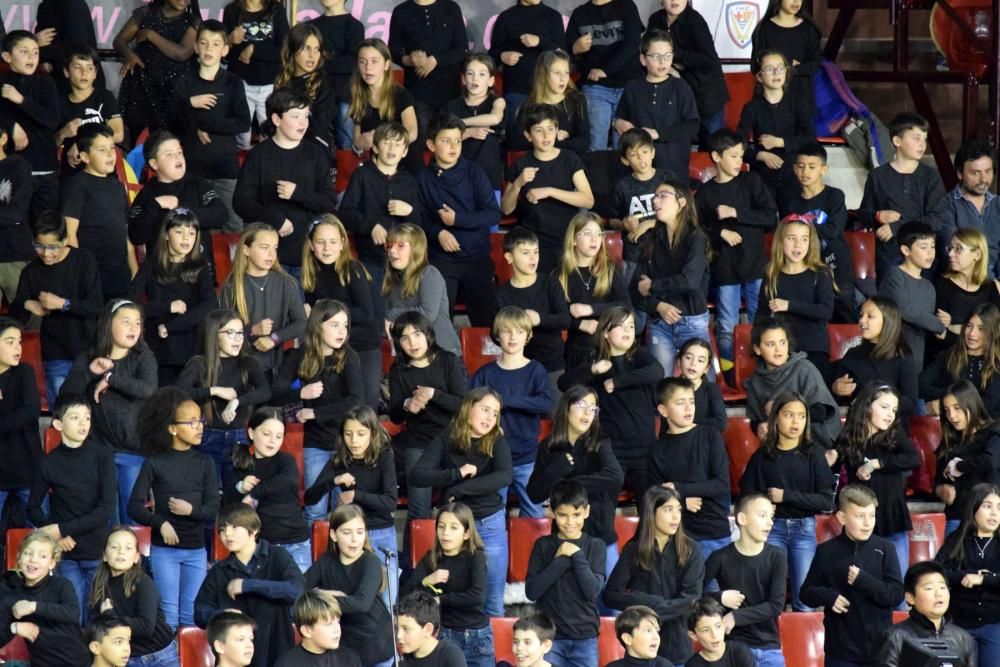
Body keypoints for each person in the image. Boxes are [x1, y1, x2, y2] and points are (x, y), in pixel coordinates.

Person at [410, 388, 512, 617]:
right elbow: (418, 474)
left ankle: (492, 653)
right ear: (468, 408)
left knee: (493, 600)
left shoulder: (496, 440)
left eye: (495, 414)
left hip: (488, 524)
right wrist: (455, 474)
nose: (489, 418)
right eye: (485, 410)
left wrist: (460, 488)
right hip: (454, 529)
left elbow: (504, 476)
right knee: (454, 598)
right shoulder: (448, 436)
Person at [128, 387, 218, 629]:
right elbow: (134, 507)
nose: (199, 426)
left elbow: (213, 510)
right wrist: (161, 522)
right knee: (168, 616)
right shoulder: (155, 462)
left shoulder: (205, 462)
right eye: (191, 422)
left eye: (200, 420)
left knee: (191, 617)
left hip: (197, 550)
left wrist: (192, 512)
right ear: (172, 428)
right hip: (164, 552)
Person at [61, 300, 158, 524]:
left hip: (133, 453)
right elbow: (66, 397)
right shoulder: (89, 358)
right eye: (126, 322)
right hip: (97, 451)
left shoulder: (144, 357)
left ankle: (135, 559)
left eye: (138, 323)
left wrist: (111, 378)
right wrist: (88, 372)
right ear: (108, 324)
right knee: (102, 516)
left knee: (131, 516)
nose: (134, 328)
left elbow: (148, 389)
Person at [740, 393, 835, 611]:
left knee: (805, 598)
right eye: (789, 415)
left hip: (804, 529)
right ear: (776, 418)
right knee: (771, 596)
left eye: (801, 416)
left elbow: (825, 500)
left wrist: (787, 496)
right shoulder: (762, 456)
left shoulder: (814, 454)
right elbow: (746, 497)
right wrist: (762, 505)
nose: (795, 422)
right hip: (770, 530)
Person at [271, 298, 363, 522]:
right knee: (315, 510)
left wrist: (315, 413)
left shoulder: (350, 356)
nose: (342, 331)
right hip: (317, 444)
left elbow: (355, 400)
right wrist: (300, 394)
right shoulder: (299, 355)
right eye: (334, 325)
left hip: (347, 443)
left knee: (345, 510)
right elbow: (275, 392)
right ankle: (315, 556)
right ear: (317, 326)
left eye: (345, 325)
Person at [27, 394, 116, 623]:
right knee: (72, 617)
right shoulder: (48, 462)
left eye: (87, 417)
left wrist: (63, 529)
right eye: (75, 417)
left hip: (97, 550)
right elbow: (33, 508)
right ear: (58, 424)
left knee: (96, 619)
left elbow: (106, 508)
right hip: (66, 554)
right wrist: (54, 533)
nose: (83, 423)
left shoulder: (102, 456)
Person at [694, 129, 777, 374]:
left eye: (741, 155)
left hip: (754, 265)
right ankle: (732, 374)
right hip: (725, 269)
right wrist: (720, 233)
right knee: (727, 326)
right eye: (733, 156)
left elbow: (770, 217)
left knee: (758, 322)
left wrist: (736, 213)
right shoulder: (706, 192)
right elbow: (695, 231)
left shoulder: (751, 181)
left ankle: (759, 369)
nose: (739, 160)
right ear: (716, 157)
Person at [559, 306, 662, 503]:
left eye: (631, 326)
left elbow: (657, 371)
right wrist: (593, 370)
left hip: (644, 448)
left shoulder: (639, 356)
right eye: (621, 326)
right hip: (610, 450)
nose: (628, 331)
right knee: (602, 511)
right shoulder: (594, 360)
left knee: (651, 512)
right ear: (606, 332)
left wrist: (617, 382)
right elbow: (563, 383)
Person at [387, 310, 467, 558]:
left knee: (451, 509)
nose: (412, 342)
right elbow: (395, 416)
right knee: (418, 509)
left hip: (451, 442)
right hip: (418, 442)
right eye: (404, 338)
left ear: (428, 334)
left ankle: (449, 563)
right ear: (398, 343)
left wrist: (434, 395)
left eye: (417, 334)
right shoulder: (398, 370)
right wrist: (406, 405)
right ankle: (414, 568)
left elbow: (465, 404)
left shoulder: (448, 361)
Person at [234, 89, 338, 278]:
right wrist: (275, 219)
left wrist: (298, 194)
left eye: (306, 116)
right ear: (276, 120)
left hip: (307, 254)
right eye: (295, 116)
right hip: (268, 257)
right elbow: (241, 202)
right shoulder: (259, 155)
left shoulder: (316, 154)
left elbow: (329, 201)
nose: (303, 123)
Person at [304, 406, 398, 609]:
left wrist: (356, 495)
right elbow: (310, 498)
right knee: (351, 599)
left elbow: (390, 502)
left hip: (380, 532)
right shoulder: (339, 460)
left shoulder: (384, 456)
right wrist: (333, 481)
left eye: (361, 434)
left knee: (387, 602)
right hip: (348, 537)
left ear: (372, 434)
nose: (354, 440)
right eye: (348, 434)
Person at [801, 485, 904, 667]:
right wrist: (829, 597)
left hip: (881, 650)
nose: (867, 523)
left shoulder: (886, 548)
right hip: (841, 652)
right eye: (859, 516)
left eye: (871, 515)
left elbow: (895, 595)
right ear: (842, 517)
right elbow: (806, 593)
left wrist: (863, 580)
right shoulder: (826, 551)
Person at [416, 113, 501, 326]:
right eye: (446, 141)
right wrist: (439, 232)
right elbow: (417, 218)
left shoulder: (474, 172)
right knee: (439, 322)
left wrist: (457, 221)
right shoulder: (422, 178)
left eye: (457, 140)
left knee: (487, 324)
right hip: (442, 260)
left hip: (477, 257)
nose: (453, 147)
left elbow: (493, 213)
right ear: (431, 145)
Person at [604, 486, 704, 665]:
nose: (676, 517)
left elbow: (691, 598)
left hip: (679, 646)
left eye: (678, 510)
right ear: (652, 512)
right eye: (668, 510)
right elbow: (611, 594)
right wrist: (653, 603)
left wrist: (655, 609)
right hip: (641, 650)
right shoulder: (633, 550)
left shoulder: (691, 549)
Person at [11, 212, 102, 406]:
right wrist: (27, 304)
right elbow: (14, 317)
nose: (45, 253)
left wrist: (62, 303)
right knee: (62, 412)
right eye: (39, 246)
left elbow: (95, 306)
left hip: (88, 351)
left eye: (53, 247)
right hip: (55, 354)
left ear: (66, 240)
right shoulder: (31, 271)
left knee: (92, 414)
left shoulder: (84, 260)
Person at [196, 504, 303, 667]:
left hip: (277, 653)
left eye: (234, 527)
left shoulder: (277, 556)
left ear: (253, 530)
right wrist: (221, 615)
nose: (227, 534)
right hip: (237, 659)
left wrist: (248, 585)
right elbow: (200, 613)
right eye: (223, 530)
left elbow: (297, 590)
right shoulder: (219, 571)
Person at [470, 306, 552, 518]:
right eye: (507, 331)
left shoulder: (536, 370)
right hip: (492, 457)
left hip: (527, 457)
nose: (513, 337)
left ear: (529, 335)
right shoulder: (485, 374)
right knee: (493, 516)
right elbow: (469, 410)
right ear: (497, 335)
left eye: (519, 331)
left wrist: (503, 400)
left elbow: (545, 405)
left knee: (533, 516)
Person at [338, 120, 421, 327]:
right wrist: (370, 226)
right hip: (372, 260)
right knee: (375, 321)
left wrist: (409, 212)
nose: (392, 148)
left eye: (398, 144)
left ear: (405, 151)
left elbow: (420, 225)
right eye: (386, 143)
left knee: (404, 321)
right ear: (375, 147)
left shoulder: (409, 181)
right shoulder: (362, 175)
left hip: (404, 263)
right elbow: (345, 213)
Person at [527, 385, 624, 559]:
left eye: (593, 408)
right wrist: (556, 469)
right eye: (582, 406)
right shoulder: (549, 446)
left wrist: (568, 486)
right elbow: (534, 493)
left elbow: (615, 477)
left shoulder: (600, 442)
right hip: (565, 535)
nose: (588, 413)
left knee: (608, 586)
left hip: (600, 533)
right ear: (567, 408)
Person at [170, 19, 251, 229]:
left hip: (225, 169)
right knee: (192, 227)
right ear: (196, 47)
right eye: (204, 43)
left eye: (215, 44)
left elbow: (243, 122)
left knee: (232, 226)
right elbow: (171, 123)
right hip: (193, 169)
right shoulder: (184, 83)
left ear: (225, 50)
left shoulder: (233, 82)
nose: (208, 49)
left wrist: (206, 123)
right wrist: (190, 104)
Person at [836, 382, 920, 580]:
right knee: (863, 583)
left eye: (894, 409)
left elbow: (914, 458)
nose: (890, 414)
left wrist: (877, 463)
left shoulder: (894, 436)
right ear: (867, 406)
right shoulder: (849, 437)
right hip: (861, 521)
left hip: (892, 516)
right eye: (884, 407)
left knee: (897, 584)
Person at [176, 308, 271, 480]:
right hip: (206, 438)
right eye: (230, 333)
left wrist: (236, 402)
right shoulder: (199, 364)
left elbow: (265, 391)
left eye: (241, 333)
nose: (238, 338)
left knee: (235, 496)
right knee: (208, 495)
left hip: (238, 438)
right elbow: (178, 394)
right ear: (214, 334)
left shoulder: (248, 362)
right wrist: (214, 390)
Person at [127, 208, 218, 385]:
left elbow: (210, 304)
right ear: (167, 234)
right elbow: (129, 303)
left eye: (191, 233)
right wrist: (167, 307)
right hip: (159, 348)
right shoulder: (152, 264)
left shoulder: (200, 266)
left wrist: (171, 326)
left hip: (191, 346)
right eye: (179, 231)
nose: (186, 238)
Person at [501, 103, 595, 273]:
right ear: (528, 135)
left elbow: (588, 200)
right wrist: (518, 183)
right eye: (538, 130)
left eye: (550, 129)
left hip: (565, 239)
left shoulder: (569, 159)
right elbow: (506, 209)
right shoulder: (520, 165)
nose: (546, 135)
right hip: (534, 243)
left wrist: (550, 191)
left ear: (557, 130)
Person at [300, 215, 381, 410]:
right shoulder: (311, 274)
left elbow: (366, 314)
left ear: (342, 243)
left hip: (363, 346)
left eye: (333, 242)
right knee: (338, 409)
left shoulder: (353, 269)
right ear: (311, 244)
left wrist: (329, 312)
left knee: (364, 409)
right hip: (332, 350)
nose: (327, 248)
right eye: (320, 242)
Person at [632, 178, 711, 375]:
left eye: (662, 196)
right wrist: (657, 305)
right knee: (660, 383)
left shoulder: (696, 238)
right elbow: (636, 287)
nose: (655, 201)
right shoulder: (651, 240)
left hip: (691, 320)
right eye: (654, 197)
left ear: (682, 202)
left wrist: (653, 287)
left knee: (701, 385)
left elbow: (689, 281)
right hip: (659, 322)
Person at [647, 378, 731, 561]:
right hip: (678, 536)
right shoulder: (657, 450)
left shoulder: (710, 436)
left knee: (718, 590)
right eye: (680, 402)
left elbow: (721, 485)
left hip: (714, 533)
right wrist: (683, 502)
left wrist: (678, 488)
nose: (688, 408)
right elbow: (656, 497)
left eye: (691, 401)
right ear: (663, 410)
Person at [401, 502, 493, 667]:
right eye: (441, 527)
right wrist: (426, 581)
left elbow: (478, 596)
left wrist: (440, 600)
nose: (445, 533)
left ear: (466, 533)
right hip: (445, 635)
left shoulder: (476, 557)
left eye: (453, 527)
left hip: (476, 636)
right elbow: (406, 596)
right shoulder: (431, 558)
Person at [525, 479, 605, 667]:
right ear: (552, 512)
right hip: (549, 638)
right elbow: (532, 592)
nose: (570, 522)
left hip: (585, 638)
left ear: (586, 512)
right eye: (562, 515)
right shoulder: (542, 546)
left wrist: (576, 555)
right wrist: (561, 560)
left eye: (576, 514)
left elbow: (592, 591)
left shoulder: (596, 546)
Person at [860, 113, 948, 280]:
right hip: (888, 255)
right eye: (916, 138)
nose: (922, 144)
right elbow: (863, 214)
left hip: (921, 256)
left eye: (924, 138)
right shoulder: (878, 176)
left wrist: (896, 227)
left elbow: (935, 220)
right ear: (897, 141)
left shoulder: (931, 177)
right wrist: (877, 215)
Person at [305, 505, 395, 667]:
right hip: (346, 645)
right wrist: (320, 596)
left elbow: (362, 603)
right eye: (347, 532)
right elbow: (299, 589)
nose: (355, 539)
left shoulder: (370, 561)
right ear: (333, 535)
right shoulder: (326, 561)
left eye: (360, 532)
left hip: (376, 644)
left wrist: (324, 598)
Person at [223, 408, 312, 573]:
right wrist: (241, 487)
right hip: (258, 546)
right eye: (266, 434)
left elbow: (288, 479)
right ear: (251, 433)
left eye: (279, 436)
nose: (273, 441)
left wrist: (254, 493)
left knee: (297, 595)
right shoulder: (241, 463)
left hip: (295, 544)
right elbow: (227, 504)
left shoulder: (285, 460)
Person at [703, 494, 787, 667]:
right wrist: (720, 597)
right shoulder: (719, 557)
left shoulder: (777, 556)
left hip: (768, 647)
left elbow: (776, 605)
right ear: (742, 518)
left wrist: (735, 616)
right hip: (733, 646)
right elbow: (694, 594)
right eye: (762, 515)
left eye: (771, 517)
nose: (770, 523)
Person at [219, 223, 307, 378]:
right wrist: (253, 331)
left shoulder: (286, 283)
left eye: (275, 248)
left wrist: (274, 338)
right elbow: (220, 331)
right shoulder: (232, 287)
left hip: (276, 369)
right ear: (246, 250)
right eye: (264, 247)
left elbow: (301, 322)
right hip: (240, 370)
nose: (271, 254)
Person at [61, 125, 137, 299]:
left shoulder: (117, 186)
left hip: (119, 274)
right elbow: (70, 234)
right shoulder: (78, 185)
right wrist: (80, 273)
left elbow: (126, 232)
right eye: (102, 150)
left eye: (112, 148)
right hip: (93, 274)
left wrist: (133, 268)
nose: (111, 155)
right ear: (85, 157)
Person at [756, 214, 835, 381]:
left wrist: (789, 306)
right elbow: (761, 316)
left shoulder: (821, 273)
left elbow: (826, 311)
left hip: (814, 348)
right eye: (792, 238)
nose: (798, 245)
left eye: (804, 239)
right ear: (780, 241)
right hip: (782, 351)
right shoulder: (771, 275)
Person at [495, 227, 571, 399]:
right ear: (509, 257)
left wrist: (540, 319)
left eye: (536, 252)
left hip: (553, 365)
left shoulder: (550, 283)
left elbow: (565, 320)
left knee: (553, 419)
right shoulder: (502, 294)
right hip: (518, 366)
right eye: (525, 252)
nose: (533, 258)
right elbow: (495, 334)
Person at [783, 142, 855, 322]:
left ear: (823, 169)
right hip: (808, 268)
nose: (805, 172)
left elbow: (833, 229)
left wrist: (802, 229)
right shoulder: (791, 202)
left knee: (845, 316)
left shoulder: (834, 196)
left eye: (811, 167)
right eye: (800, 166)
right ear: (794, 168)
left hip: (837, 266)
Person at [744, 316, 841, 450]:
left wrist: (782, 410)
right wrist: (759, 426)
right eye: (770, 344)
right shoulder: (756, 379)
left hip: (814, 441)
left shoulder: (804, 368)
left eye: (782, 343)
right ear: (757, 349)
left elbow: (821, 411)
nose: (778, 349)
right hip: (779, 444)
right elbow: (755, 418)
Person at [612, 29, 698, 178]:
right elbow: (619, 117)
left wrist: (658, 134)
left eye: (667, 56)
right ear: (643, 59)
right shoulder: (633, 87)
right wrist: (617, 123)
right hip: (639, 170)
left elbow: (693, 126)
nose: (662, 61)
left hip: (673, 167)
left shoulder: (680, 87)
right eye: (656, 56)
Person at [127, 130, 230, 254]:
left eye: (179, 152)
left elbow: (221, 214)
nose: (177, 157)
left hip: (199, 266)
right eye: (169, 154)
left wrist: (182, 214)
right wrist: (155, 206)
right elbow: (136, 236)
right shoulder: (146, 194)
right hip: (162, 269)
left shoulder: (197, 184)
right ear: (154, 164)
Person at [88, 527, 178, 667]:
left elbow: (146, 627)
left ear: (136, 557)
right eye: (114, 547)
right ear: (105, 555)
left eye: (128, 548)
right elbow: (96, 624)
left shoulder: (143, 582)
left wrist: (109, 615)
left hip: (160, 655)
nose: (121, 551)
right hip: (127, 658)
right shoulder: (99, 585)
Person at [738, 50, 815, 210]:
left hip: (792, 174)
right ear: (759, 76)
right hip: (762, 176)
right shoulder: (752, 108)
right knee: (766, 224)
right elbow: (739, 144)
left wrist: (780, 142)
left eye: (780, 68)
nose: (776, 73)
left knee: (792, 223)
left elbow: (810, 138)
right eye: (769, 69)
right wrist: (760, 155)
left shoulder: (798, 103)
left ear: (786, 71)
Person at [646, 0, 728, 149]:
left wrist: (674, 57)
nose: (675, 1)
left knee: (715, 146)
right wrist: (671, 67)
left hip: (706, 95)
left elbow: (710, 59)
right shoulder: (656, 20)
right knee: (676, 144)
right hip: (676, 95)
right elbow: (649, 52)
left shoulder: (695, 21)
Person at [0, 531, 91, 665]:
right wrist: (14, 627)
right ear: (18, 558)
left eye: (42, 556)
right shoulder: (12, 598)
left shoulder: (61, 584)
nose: (33, 559)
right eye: (27, 553)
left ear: (52, 563)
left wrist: (33, 607)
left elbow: (72, 613)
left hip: (78, 662)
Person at [113, 0, 198, 139]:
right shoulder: (145, 13)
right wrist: (129, 54)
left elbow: (181, 53)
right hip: (141, 85)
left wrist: (150, 35)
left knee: (169, 137)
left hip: (172, 89)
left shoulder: (192, 21)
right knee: (137, 135)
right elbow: (119, 41)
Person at [934, 482, 1000, 664]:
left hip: (995, 624)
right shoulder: (956, 540)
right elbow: (936, 573)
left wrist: (983, 579)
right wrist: (965, 575)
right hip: (960, 624)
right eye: (987, 506)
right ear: (973, 508)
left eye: (999, 507)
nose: (994, 513)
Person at [565, 0, 643, 151]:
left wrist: (605, 70)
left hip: (628, 84)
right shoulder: (579, 13)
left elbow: (633, 43)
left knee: (627, 147)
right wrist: (575, 48)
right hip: (595, 87)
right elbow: (564, 53)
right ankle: (596, 175)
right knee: (595, 144)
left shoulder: (626, 5)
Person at [556, 212, 630, 369]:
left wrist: (590, 309)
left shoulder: (610, 269)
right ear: (574, 239)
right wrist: (579, 324)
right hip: (576, 350)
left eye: (599, 234)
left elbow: (626, 306)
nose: (594, 239)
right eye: (587, 234)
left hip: (609, 347)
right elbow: (553, 316)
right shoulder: (560, 274)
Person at [0, 30, 60, 220]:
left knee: (45, 225)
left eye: (35, 52)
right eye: (24, 52)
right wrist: (11, 126)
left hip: (45, 170)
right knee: (15, 223)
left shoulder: (46, 83)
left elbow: (52, 120)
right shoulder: (2, 84)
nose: (32, 57)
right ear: (7, 56)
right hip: (12, 170)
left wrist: (21, 100)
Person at [388, 0, 470, 138]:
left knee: (449, 138)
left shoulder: (450, 8)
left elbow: (462, 49)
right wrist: (408, 60)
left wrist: (436, 60)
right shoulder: (401, 11)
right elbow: (393, 51)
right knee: (421, 141)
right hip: (418, 93)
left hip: (450, 92)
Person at [878, 221, 947, 382]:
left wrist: (938, 324)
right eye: (923, 247)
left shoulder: (929, 287)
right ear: (905, 250)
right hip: (890, 353)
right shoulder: (895, 275)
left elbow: (924, 321)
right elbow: (906, 310)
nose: (930, 253)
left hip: (915, 358)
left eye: (932, 246)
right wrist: (938, 325)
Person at [874, 561, 977, 667]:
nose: (938, 594)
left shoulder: (964, 639)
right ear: (910, 597)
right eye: (929, 588)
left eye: (942, 587)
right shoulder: (895, 637)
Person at [383, 222, 462, 357]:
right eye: (389, 245)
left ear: (416, 249)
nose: (392, 250)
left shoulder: (429, 273)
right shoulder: (393, 280)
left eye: (400, 245)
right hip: (413, 354)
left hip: (441, 353)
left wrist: (391, 315)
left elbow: (427, 313)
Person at [488, 0, 566, 135]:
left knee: (550, 138)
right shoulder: (506, 17)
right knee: (516, 139)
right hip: (516, 90)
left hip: (549, 91)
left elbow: (563, 54)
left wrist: (540, 42)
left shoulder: (553, 16)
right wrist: (502, 56)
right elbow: (491, 57)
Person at [934, 380, 1000, 535]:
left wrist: (959, 466)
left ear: (971, 403)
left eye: (957, 408)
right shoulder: (950, 440)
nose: (951, 415)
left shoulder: (994, 431)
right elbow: (937, 481)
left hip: (990, 518)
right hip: (957, 516)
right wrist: (940, 490)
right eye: (946, 410)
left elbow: (990, 461)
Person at [610, 128, 675, 286]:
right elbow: (612, 219)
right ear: (625, 160)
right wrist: (623, 223)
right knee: (632, 302)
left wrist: (649, 223)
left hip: (667, 252)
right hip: (634, 256)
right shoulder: (622, 186)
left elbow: (683, 214)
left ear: (653, 152)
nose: (641, 158)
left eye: (645, 151)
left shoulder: (667, 179)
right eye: (633, 154)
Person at [831, 296, 917, 413]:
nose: (862, 321)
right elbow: (838, 399)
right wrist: (836, 389)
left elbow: (910, 404)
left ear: (888, 321)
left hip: (891, 427)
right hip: (858, 425)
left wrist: (880, 401)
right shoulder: (853, 354)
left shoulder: (902, 355)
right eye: (861, 315)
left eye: (870, 316)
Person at [222, 0, 288, 147]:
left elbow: (285, 50)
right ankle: (241, 168)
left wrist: (254, 51)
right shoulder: (232, 10)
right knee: (242, 140)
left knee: (270, 138)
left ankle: (267, 168)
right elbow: (224, 54)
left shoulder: (276, 10)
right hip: (241, 84)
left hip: (269, 86)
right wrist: (230, 40)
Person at [348, 39, 420, 168]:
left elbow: (412, 132)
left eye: (374, 61)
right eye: (362, 61)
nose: (368, 67)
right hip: (377, 167)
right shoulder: (358, 97)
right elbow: (357, 141)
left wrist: (382, 139)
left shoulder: (401, 95)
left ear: (386, 65)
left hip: (405, 166)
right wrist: (361, 143)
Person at [55, 46, 124, 177]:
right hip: (72, 175)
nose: (84, 72)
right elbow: (49, 143)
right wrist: (61, 134)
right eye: (77, 67)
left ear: (95, 74)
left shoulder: (104, 97)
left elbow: (119, 134)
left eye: (89, 68)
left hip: (104, 174)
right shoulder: (58, 103)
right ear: (66, 71)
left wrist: (82, 146)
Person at [507, 49, 590, 158]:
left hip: (570, 162)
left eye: (566, 73)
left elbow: (583, 142)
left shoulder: (577, 99)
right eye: (557, 73)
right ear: (544, 74)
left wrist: (542, 141)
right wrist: (554, 139)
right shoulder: (531, 104)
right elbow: (515, 142)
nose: (563, 78)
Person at [921, 304, 1000, 417]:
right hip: (950, 424)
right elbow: (921, 384)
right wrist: (947, 399)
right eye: (969, 326)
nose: (972, 333)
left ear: (992, 332)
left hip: (986, 427)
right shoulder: (951, 355)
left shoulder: (996, 363)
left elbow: (989, 405)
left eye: (981, 329)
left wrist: (950, 402)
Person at [932, 228, 1000, 357]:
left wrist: (955, 325)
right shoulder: (941, 284)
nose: (951, 254)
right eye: (950, 248)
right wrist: (980, 330)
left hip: (984, 358)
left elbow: (995, 330)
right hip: (948, 356)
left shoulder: (989, 288)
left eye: (958, 249)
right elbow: (941, 334)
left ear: (977, 255)